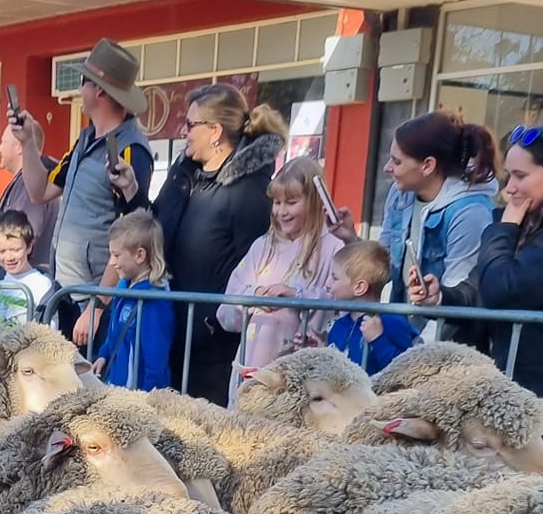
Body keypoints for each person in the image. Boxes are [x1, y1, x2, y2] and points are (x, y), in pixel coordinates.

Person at [408, 121, 543, 457]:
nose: (510, 189)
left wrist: (503, 227)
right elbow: (484, 285)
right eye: (509, 176)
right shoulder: (528, 220)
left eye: (521, 176)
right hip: (520, 387)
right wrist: (443, 296)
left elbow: (505, 288)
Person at [153, 82, 289, 403]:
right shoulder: (185, 175)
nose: (184, 132)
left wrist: (212, 321)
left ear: (214, 131)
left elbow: (258, 264)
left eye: (190, 125)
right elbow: (154, 229)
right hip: (174, 334)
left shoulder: (249, 190)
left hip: (213, 349)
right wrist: (132, 196)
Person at [13, 39, 154, 330]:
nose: (79, 89)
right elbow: (41, 191)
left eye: (82, 82)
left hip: (94, 303)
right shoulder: (85, 141)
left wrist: (98, 306)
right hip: (67, 295)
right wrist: (27, 142)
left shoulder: (132, 151)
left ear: (98, 89)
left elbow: (132, 235)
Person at [217, 156, 344, 394]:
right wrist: (253, 298)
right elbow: (225, 309)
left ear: (314, 201)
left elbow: (341, 308)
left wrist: (298, 297)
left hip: (300, 378)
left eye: (291, 202)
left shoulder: (334, 247)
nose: (281, 212)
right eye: (277, 202)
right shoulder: (262, 246)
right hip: (251, 370)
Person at [379, 110, 500, 318]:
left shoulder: (470, 213)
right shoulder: (400, 194)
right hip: (401, 330)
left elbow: (457, 298)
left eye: (396, 162)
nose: (386, 168)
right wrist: (349, 239)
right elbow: (383, 264)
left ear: (428, 165)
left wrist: (421, 350)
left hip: (443, 342)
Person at [93, 213, 174, 391]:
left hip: (139, 396)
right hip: (118, 388)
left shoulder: (154, 301)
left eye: (116, 255)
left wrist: (147, 398)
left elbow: (155, 358)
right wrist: (104, 355)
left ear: (139, 255)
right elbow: (115, 333)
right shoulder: (124, 287)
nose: (112, 263)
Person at [326, 241, 420, 374]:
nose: (327, 284)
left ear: (359, 287)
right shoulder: (339, 325)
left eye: (334, 278)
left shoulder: (392, 322)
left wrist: (379, 339)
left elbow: (405, 372)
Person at [0, 118, 57, 276]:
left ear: (19, 147)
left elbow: (25, 233)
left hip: (21, 289)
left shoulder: (30, 185)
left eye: (3, 142)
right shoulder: (24, 182)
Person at [0, 214, 53, 324]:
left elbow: (50, 332)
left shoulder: (42, 285)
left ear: (29, 246)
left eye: (15, 250)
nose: (9, 258)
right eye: (2, 251)